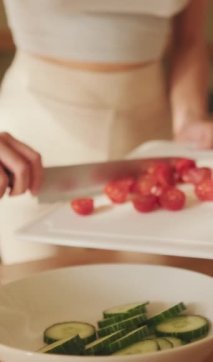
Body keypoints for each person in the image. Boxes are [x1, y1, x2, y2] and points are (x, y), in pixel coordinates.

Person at [0, 0, 212, 264]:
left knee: (157, 295)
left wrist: (189, 118)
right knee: (36, 295)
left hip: (152, 146)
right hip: (31, 149)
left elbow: (190, 41)